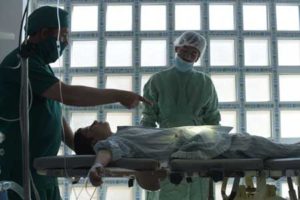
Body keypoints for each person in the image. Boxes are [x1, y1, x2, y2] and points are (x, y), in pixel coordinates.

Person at [0, 6, 151, 200]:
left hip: (42, 170)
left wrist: (79, 148)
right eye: (63, 36)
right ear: (44, 33)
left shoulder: (39, 64)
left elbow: (52, 112)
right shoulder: (21, 63)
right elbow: (68, 95)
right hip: (22, 169)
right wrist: (118, 95)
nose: (67, 43)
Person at [73, 121, 300, 189]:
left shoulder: (124, 133)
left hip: (204, 140)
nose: (94, 122)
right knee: (281, 150)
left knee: (273, 148)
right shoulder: (114, 141)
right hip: (202, 145)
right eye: (88, 128)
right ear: (93, 142)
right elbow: (106, 152)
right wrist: (96, 166)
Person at [140, 31, 220, 199]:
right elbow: (148, 120)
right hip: (165, 147)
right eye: (185, 50)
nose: (188, 55)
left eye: (194, 53)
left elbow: (213, 119)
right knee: (166, 188)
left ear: (198, 58)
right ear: (176, 49)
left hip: (197, 148)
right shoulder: (157, 81)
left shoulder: (205, 83)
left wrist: (214, 147)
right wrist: (146, 148)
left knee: (196, 190)